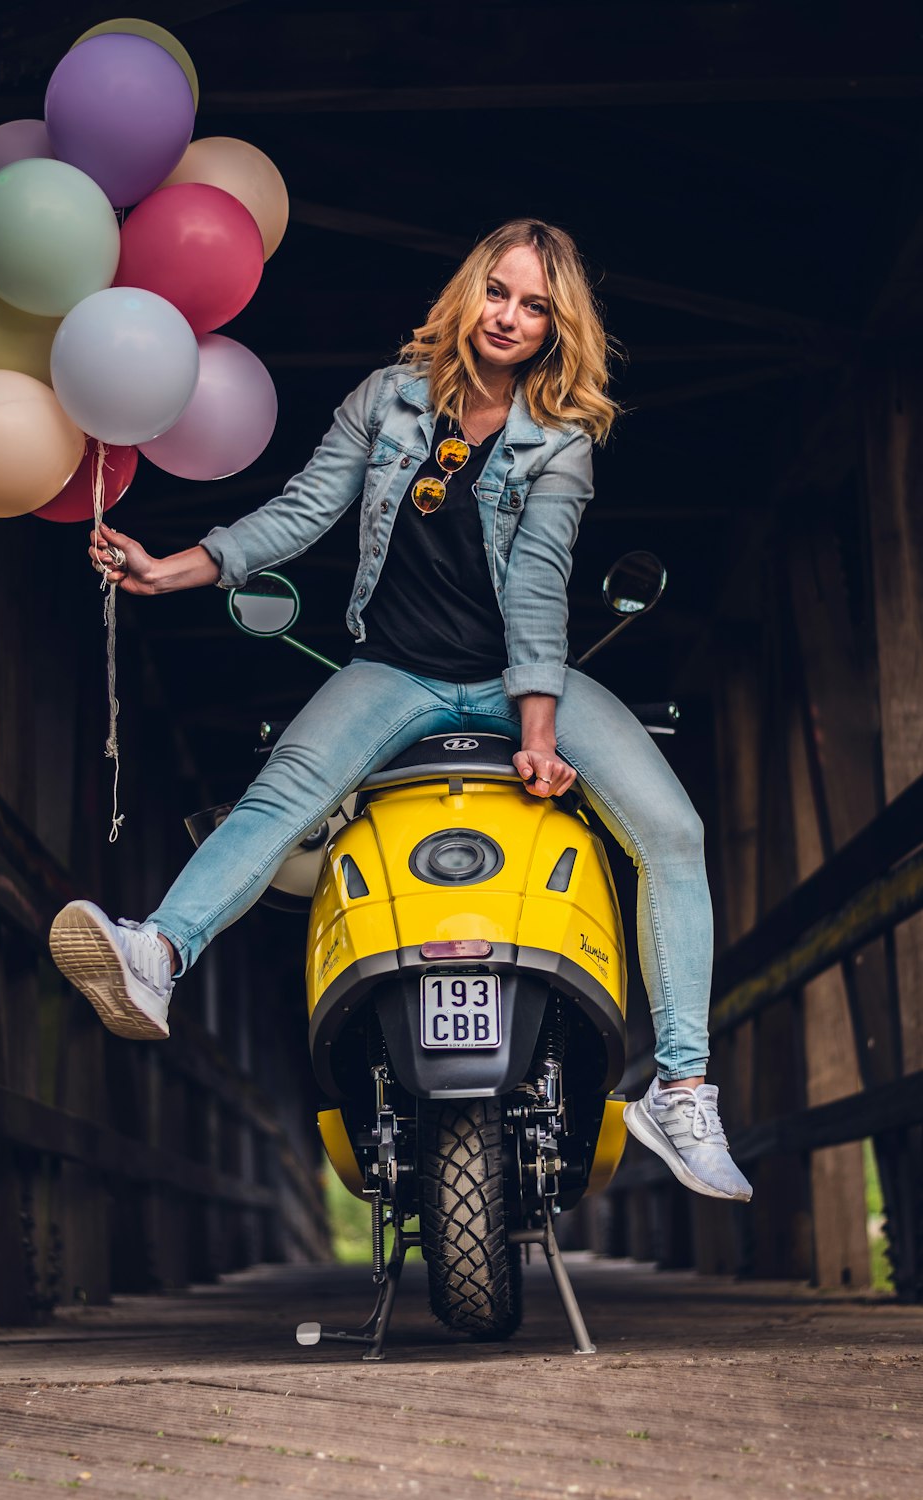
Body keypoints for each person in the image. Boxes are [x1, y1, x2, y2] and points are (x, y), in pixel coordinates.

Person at [50, 219, 752, 1203]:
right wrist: (178, 567)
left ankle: (679, 1091)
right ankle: (158, 953)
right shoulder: (386, 401)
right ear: (470, 294)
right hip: (398, 670)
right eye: (500, 293)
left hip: (524, 676)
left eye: (537, 306)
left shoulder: (561, 439)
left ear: (559, 328)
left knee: (673, 831)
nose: (511, 317)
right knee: (280, 795)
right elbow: (304, 509)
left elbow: (542, 584)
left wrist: (541, 734)